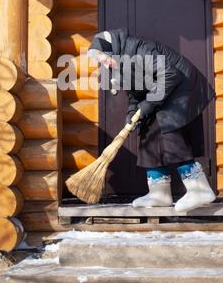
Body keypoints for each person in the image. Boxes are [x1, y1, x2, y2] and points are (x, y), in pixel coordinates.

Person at [87, 27, 216, 212]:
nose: (106, 64)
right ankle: (159, 193)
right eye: (102, 62)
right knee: (147, 130)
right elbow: (136, 94)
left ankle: (200, 189)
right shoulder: (120, 65)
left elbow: (170, 75)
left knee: (168, 130)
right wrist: (132, 114)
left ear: (112, 49)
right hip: (164, 91)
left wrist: (146, 106)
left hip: (182, 87)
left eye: (105, 59)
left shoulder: (139, 49)